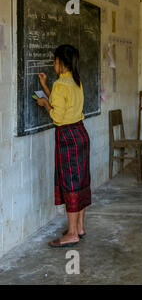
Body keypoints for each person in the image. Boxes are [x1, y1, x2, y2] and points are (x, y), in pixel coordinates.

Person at [36, 44, 91, 248]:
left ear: (61, 63)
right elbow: (62, 104)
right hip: (80, 133)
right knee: (81, 179)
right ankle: (79, 227)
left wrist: (44, 104)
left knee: (70, 182)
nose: (53, 64)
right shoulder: (76, 81)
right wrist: (45, 86)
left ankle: (71, 233)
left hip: (67, 137)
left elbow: (57, 115)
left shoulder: (60, 85)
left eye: (55, 61)